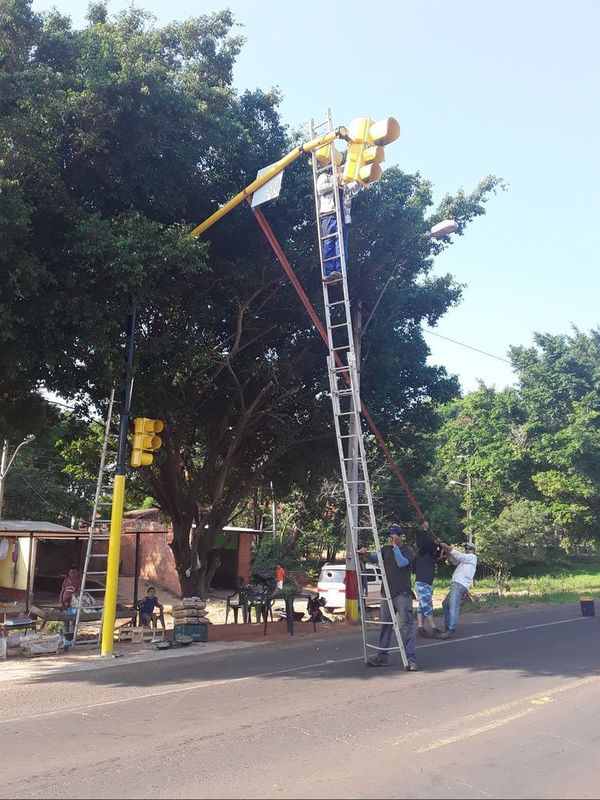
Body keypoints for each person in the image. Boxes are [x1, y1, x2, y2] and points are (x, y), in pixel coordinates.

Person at [358, 524, 418, 671]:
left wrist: (396, 548)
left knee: (406, 626)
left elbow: (402, 563)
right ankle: (382, 657)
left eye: (393, 536)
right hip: (387, 594)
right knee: (386, 626)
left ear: (399, 536)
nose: (391, 538)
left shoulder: (408, 551)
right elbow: (375, 558)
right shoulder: (385, 550)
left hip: (402, 594)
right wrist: (365, 554)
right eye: (390, 536)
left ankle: (411, 659)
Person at [317, 170, 359, 282]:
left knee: (341, 245)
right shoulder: (325, 176)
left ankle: (339, 271)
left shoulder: (345, 183)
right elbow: (320, 188)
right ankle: (329, 272)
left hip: (342, 218)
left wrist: (359, 177)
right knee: (328, 244)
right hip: (328, 215)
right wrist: (335, 181)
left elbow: (354, 189)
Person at [438, 541, 478, 638]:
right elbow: (455, 560)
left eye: (469, 548)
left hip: (459, 584)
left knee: (453, 606)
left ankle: (451, 629)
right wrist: (448, 552)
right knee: (446, 604)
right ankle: (448, 627)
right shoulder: (465, 560)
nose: (467, 550)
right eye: (466, 548)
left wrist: (447, 546)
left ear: (473, 550)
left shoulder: (472, 557)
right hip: (456, 584)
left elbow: (459, 556)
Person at [414, 520, 443, 638]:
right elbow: (423, 543)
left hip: (426, 583)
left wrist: (441, 546)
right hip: (422, 582)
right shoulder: (422, 553)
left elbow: (438, 555)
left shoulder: (431, 556)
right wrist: (425, 530)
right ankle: (434, 627)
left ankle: (420, 628)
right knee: (427, 605)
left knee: (422, 606)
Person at [58, 566, 82, 647]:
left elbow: (79, 592)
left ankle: (71, 639)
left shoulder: (79, 581)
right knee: (65, 621)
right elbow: (62, 590)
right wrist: (61, 601)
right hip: (65, 604)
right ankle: (65, 638)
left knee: (72, 621)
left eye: (74, 572)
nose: (72, 574)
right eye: (71, 572)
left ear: (78, 573)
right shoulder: (66, 580)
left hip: (74, 605)